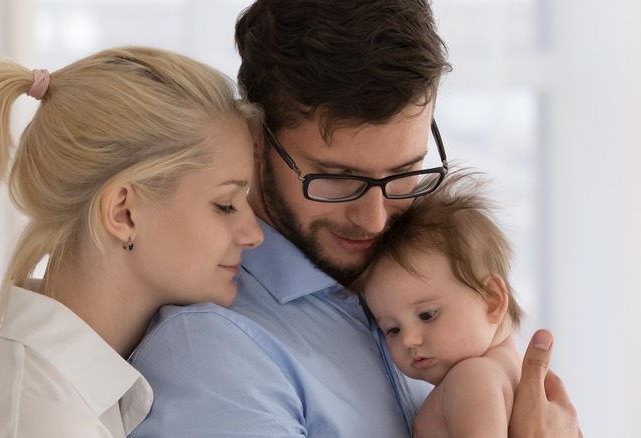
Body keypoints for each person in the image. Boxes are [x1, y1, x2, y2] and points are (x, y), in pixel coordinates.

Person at [129, 1, 581, 436]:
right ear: (254, 140)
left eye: (404, 172)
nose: (375, 219)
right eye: (338, 178)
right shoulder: (212, 351)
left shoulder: (429, 289)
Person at [0, 45, 264, 437]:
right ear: (123, 213)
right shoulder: (44, 422)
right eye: (225, 204)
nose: (254, 234)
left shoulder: (75, 393)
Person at [356, 170, 525, 437]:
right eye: (392, 329)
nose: (409, 340)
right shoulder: (520, 378)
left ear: (492, 300)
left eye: (427, 315)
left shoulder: (471, 378)